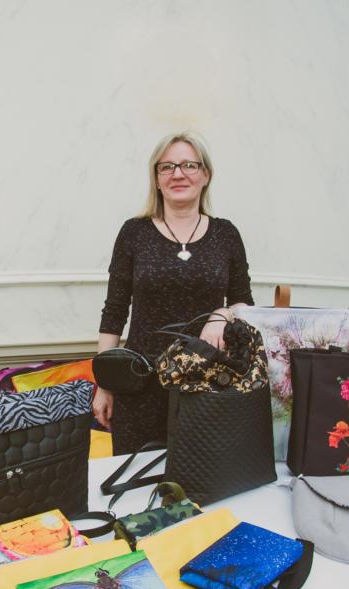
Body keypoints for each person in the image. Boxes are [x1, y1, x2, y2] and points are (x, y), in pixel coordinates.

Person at [94, 132, 254, 454]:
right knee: (138, 479)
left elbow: (244, 303)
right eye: (166, 167)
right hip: (140, 384)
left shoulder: (225, 234)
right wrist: (104, 385)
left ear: (205, 175)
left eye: (189, 165)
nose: (178, 174)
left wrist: (222, 314)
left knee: (201, 477)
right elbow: (114, 312)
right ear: (156, 178)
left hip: (205, 385)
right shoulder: (134, 232)